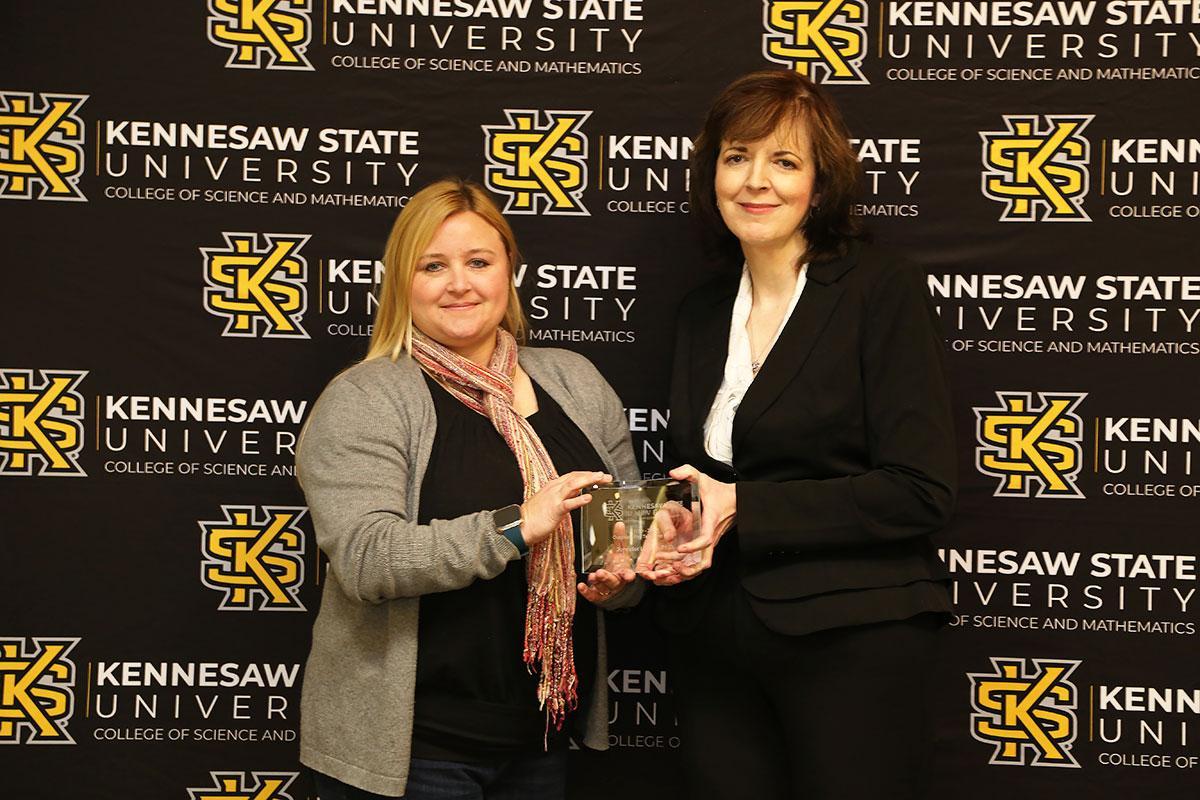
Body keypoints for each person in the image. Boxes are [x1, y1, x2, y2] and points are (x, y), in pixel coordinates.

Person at [641, 70, 957, 799]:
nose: (756, 180)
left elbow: (920, 492)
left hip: (853, 641)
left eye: (784, 161)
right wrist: (674, 527)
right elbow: (703, 475)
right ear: (711, 173)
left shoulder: (881, 289)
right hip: (713, 644)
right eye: (736, 156)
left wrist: (744, 508)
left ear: (820, 185)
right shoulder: (700, 311)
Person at [296, 178, 641, 799]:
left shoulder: (576, 382)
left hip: (539, 739)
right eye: (434, 266)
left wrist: (625, 573)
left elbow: (622, 534)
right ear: (402, 281)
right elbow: (367, 560)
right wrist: (515, 526)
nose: (459, 283)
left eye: (478, 262)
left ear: (510, 270)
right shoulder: (367, 397)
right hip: (415, 751)